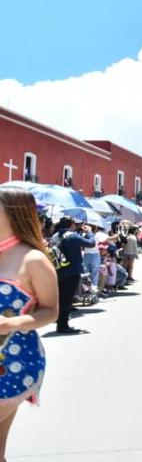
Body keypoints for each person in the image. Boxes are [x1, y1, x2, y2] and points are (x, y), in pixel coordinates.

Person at [0, 189, 59, 460]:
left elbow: (51, 311)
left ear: (13, 214)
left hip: (15, 362)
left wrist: (11, 323)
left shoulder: (33, 259)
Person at [53, 217, 95, 334]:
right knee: (67, 300)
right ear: (71, 224)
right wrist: (89, 232)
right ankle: (63, 325)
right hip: (71, 271)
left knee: (61, 298)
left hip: (58, 270)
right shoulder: (72, 236)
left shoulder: (55, 236)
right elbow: (91, 243)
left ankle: (60, 321)